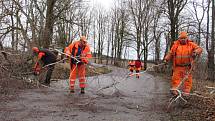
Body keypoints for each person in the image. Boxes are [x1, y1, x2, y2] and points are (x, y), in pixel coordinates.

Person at [164, 31, 203, 96]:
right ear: (179, 39)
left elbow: (199, 48)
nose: (183, 39)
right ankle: (175, 92)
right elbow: (170, 53)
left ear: (186, 38)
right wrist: (166, 59)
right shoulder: (175, 45)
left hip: (187, 67)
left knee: (187, 80)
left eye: (184, 38)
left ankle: (186, 93)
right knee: (175, 79)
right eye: (181, 38)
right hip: (177, 67)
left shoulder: (191, 44)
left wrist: (195, 52)